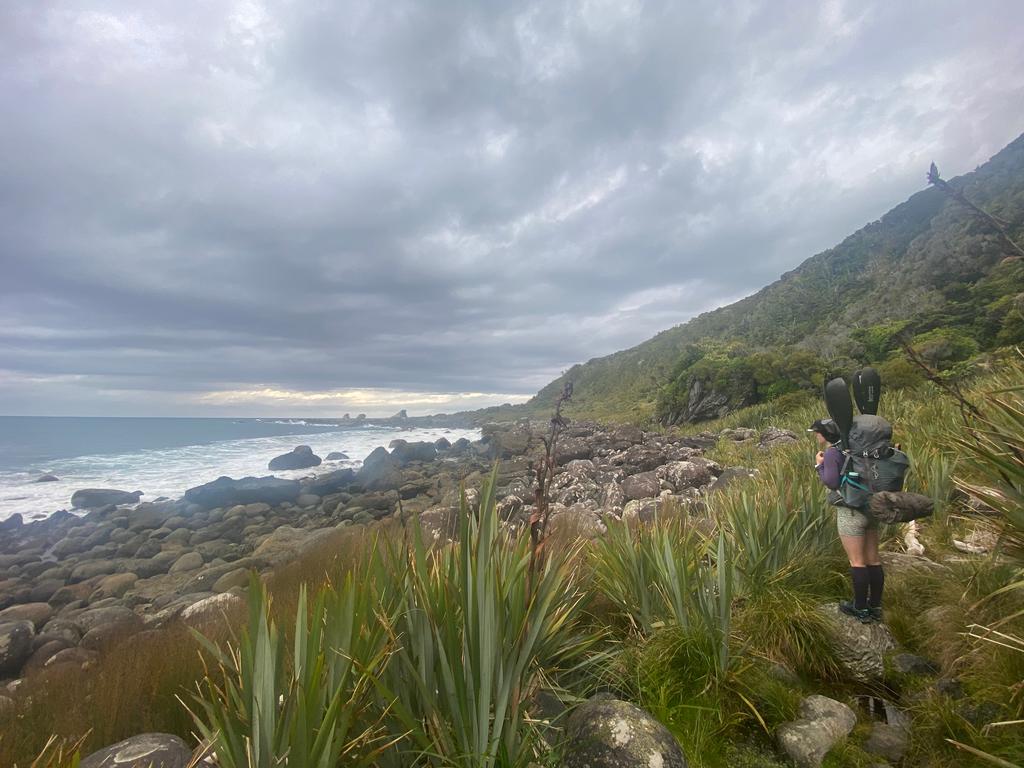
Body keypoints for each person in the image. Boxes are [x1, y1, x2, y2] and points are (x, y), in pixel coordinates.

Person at [808, 418, 884, 623]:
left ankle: (860, 608)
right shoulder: (859, 449)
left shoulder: (833, 452)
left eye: (817, 432)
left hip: (850, 512)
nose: (816, 435)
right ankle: (875, 606)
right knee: (873, 559)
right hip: (871, 508)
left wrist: (819, 466)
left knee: (857, 561)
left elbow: (832, 482)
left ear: (826, 434)